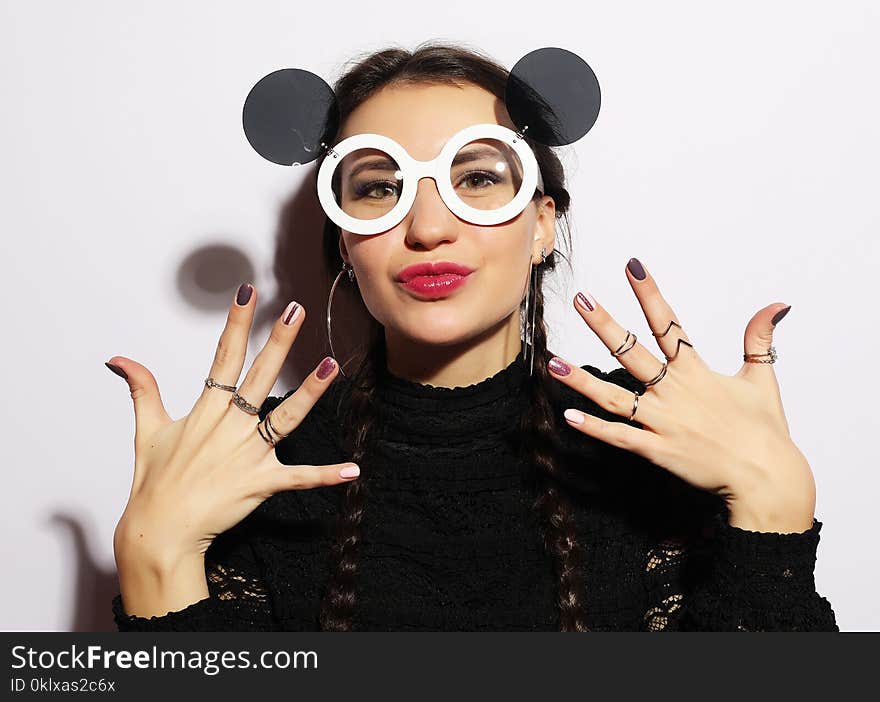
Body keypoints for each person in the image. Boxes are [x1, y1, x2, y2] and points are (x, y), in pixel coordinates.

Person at [106, 42, 837, 631]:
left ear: (543, 223)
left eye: (479, 178)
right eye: (378, 187)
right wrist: (156, 558)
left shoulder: (661, 441)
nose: (427, 227)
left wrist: (772, 514)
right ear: (344, 241)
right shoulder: (252, 466)